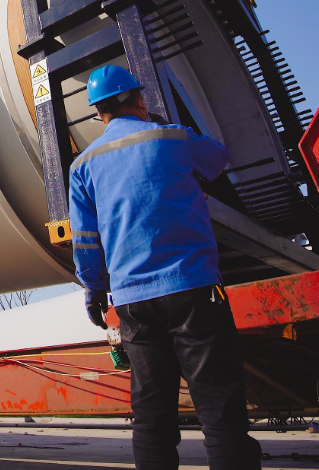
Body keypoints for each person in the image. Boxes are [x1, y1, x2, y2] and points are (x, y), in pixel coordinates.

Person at [68, 64, 262, 470]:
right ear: (139, 99)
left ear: (99, 113)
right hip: (193, 289)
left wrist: (94, 289)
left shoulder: (83, 165)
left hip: (133, 302)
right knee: (221, 413)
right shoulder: (173, 138)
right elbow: (218, 158)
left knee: (152, 416)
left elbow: (85, 240)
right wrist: (165, 130)